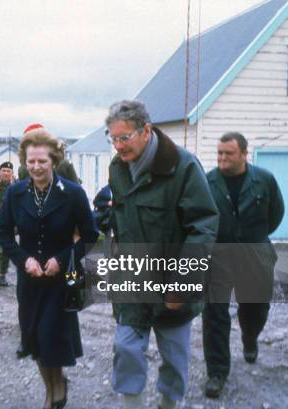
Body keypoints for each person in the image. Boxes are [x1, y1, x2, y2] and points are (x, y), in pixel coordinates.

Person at [105, 100, 218, 409]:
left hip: (173, 283)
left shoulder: (183, 167)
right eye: (112, 138)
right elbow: (119, 217)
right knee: (125, 348)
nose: (118, 146)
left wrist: (182, 285)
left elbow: (203, 227)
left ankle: (168, 404)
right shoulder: (118, 168)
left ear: (146, 131)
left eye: (124, 137)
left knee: (174, 357)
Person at [0, 125, 98, 409]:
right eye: (31, 161)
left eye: (42, 161)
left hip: (61, 279)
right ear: (24, 162)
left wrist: (63, 259)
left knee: (52, 336)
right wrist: (23, 259)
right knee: (35, 340)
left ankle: (56, 388)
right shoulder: (15, 193)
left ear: (54, 160)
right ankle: (51, 388)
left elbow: (91, 237)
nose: (36, 167)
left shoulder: (73, 193)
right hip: (29, 280)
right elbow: (3, 232)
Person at [202, 132, 284, 399]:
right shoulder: (208, 181)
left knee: (256, 307)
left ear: (244, 154)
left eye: (229, 153)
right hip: (218, 255)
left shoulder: (264, 179)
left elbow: (275, 215)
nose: (223, 158)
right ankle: (217, 371)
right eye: (220, 153)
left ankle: (249, 336)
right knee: (214, 314)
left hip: (254, 254)